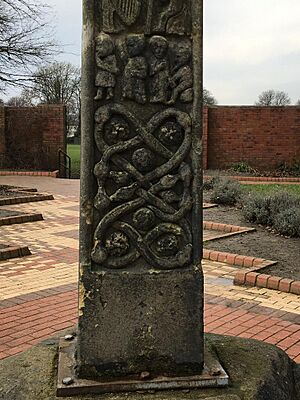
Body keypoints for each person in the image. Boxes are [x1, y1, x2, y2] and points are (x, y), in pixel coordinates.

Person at [94, 33, 119, 101]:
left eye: (99, 46)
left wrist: (112, 69)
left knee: (109, 84)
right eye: (97, 46)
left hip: (108, 74)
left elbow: (114, 66)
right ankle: (99, 94)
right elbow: (99, 65)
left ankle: (110, 93)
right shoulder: (99, 59)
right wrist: (111, 69)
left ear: (107, 46)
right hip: (102, 73)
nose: (96, 49)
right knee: (100, 84)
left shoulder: (112, 57)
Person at [149, 36, 170, 104]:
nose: (159, 50)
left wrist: (169, 78)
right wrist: (158, 68)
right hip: (154, 80)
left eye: (161, 48)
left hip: (163, 80)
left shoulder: (165, 60)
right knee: (155, 87)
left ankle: (162, 98)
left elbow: (167, 71)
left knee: (163, 87)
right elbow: (150, 73)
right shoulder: (152, 60)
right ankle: (155, 97)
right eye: (156, 47)